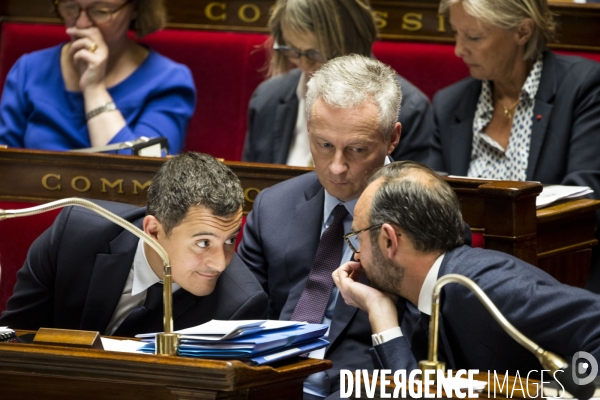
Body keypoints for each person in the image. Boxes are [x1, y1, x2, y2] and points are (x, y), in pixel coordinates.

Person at [333, 161, 600, 376]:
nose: (357, 254)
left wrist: (570, 392)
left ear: (390, 240)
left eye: (359, 237)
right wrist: (381, 310)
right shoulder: (422, 295)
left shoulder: (485, 286)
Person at [0, 152, 267, 336]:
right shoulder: (74, 236)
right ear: (153, 230)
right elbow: (15, 338)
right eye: (203, 242)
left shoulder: (239, 304)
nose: (220, 263)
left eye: (230, 240)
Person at [242, 0, 433, 167]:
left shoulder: (409, 108)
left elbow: (405, 202)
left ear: (355, 42)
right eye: (292, 50)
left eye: (315, 54)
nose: (305, 65)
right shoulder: (267, 97)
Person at [0, 0, 195, 154]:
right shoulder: (28, 69)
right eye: (71, 7)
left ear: (135, 8)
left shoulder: (169, 80)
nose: (81, 23)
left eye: (101, 10)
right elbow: (6, 167)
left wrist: (94, 89)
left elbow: (142, 179)